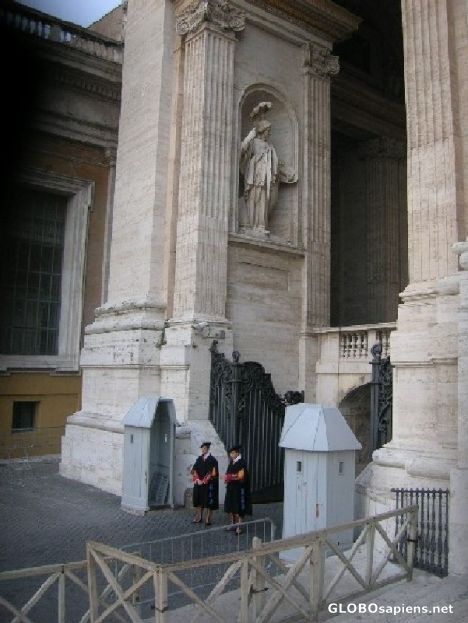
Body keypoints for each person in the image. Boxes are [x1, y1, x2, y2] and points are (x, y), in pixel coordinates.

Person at [240, 119, 279, 231]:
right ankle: (251, 224)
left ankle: (261, 225)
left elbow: (274, 163)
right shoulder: (253, 142)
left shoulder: (270, 146)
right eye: (268, 131)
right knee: (253, 197)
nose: (269, 133)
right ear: (263, 130)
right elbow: (242, 152)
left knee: (263, 200)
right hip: (254, 175)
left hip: (266, 177)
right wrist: (249, 137)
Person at [223, 445, 252, 534]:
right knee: (230, 506)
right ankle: (233, 524)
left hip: (239, 488)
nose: (231, 455)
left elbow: (241, 476)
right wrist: (226, 478)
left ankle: (239, 527)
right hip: (231, 488)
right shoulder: (231, 462)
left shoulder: (241, 463)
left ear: (237, 453)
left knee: (239, 507)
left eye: (233, 453)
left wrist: (230, 477)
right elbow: (228, 473)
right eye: (230, 453)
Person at [191, 442, 219, 526]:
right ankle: (199, 517)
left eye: (204, 448)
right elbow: (194, 469)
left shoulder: (213, 460)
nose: (203, 450)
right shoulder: (199, 459)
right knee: (199, 500)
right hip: (199, 484)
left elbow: (213, 473)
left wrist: (204, 480)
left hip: (209, 484)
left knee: (209, 502)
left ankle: (208, 519)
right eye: (202, 448)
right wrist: (197, 479)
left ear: (208, 449)